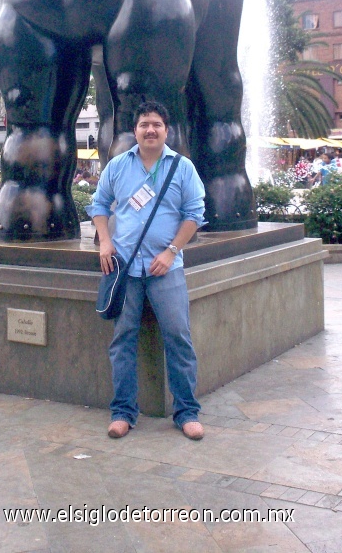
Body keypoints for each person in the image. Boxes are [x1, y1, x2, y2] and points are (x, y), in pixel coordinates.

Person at [88, 101, 206, 441]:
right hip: (124, 268)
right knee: (123, 339)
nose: (150, 130)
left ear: (166, 130)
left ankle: (187, 411)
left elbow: (194, 214)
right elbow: (98, 205)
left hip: (165, 268)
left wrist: (171, 252)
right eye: (144, 125)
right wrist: (105, 242)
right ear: (135, 131)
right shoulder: (118, 167)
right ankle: (123, 412)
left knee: (178, 338)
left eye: (156, 124)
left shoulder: (182, 168)